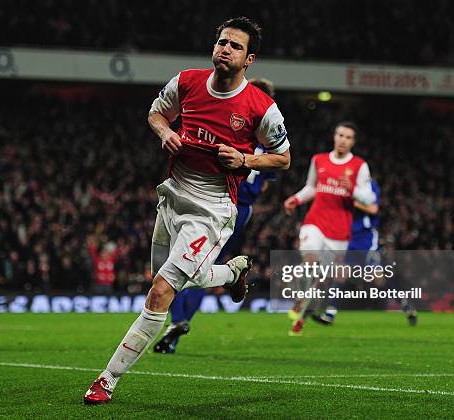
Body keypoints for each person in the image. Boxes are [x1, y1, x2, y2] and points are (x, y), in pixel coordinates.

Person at [84, 17, 291, 404]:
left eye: (234, 45)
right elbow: (156, 113)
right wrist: (165, 132)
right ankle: (231, 272)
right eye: (221, 41)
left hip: (212, 208)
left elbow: (283, 159)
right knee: (161, 276)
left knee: (161, 291)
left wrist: (245, 158)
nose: (224, 48)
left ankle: (106, 380)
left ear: (249, 59)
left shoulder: (261, 108)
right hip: (172, 196)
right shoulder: (187, 82)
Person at [153, 78, 278, 354]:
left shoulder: (236, 132)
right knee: (198, 264)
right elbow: (268, 180)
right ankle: (180, 321)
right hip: (237, 209)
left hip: (219, 204)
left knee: (187, 263)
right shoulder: (265, 148)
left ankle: (178, 320)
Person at [283, 121, 374, 335]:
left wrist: (351, 189)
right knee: (310, 259)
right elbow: (312, 187)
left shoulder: (359, 166)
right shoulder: (319, 160)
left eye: (348, 137)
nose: (343, 140)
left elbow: (368, 198)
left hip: (339, 230)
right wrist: (296, 198)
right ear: (334, 136)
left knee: (323, 280)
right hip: (315, 221)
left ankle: (301, 319)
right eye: (340, 135)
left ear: (353, 142)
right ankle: (300, 297)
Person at [312, 179, 418, 326]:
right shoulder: (345, 186)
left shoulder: (370, 186)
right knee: (341, 275)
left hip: (367, 239)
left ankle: (406, 305)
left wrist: (352, 201)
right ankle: (329, 314)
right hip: (350, 238)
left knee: (378, 279)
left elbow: (373, 209)